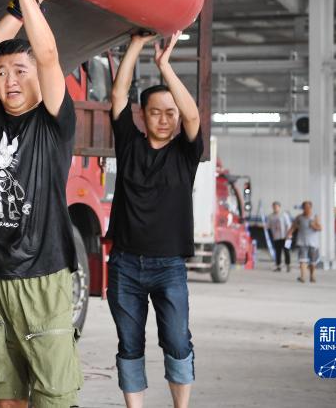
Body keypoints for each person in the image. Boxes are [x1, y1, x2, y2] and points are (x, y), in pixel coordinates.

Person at [0, 0, 82, 408]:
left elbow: (47, 56)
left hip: (42, 271)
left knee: (53, 394)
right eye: (1, 73)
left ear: (36, 77)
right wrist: (21, 3)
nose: (8, 80)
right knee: (3, 391)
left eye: (19, 70)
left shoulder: (53, 122)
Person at [107, 31, 203, 408]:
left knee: (177, 341)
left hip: (169, 267)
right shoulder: (129, 144)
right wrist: (136, 45)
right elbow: (118, 96)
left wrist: (165, 66)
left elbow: (193, 115)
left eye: (170, 112)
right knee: (130, 343)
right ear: (143, 116)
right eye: (155, 112)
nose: (164, 119)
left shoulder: (186, 154)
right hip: (125, 265)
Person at [288, 200, 322, 283]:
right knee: (302, 260)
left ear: (311, 208)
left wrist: (314, 226)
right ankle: (302, 277)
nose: (306, 209)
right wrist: (289, 234)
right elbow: (293, 226)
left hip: (313, 243)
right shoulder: (299, 217)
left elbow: (320, 228)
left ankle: (312, 276)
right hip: (302, 242)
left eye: (308, 207)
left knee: (312, 261)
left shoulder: (315, 217)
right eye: (304, 207)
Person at [266, 201, 293, 272]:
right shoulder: (270, 216)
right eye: (273, 207)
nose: (275, 208)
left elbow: (288, 225)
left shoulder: (284, 215)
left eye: (276, 206)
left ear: (279, 207)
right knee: (278, 252)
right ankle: (278, 266)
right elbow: (267, 225)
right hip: (276, 237)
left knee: (287, 251)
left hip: (287, 237)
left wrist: (289, 234)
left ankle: (288, 265)